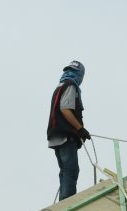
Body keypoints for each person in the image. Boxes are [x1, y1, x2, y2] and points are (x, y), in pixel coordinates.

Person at [47, 60, 91, 201]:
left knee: (65, 170)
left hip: (55, 135)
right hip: (65, 135)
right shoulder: (71, 85)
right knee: (71, 170)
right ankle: (67, 203)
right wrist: (80, 129)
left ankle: (62, 202)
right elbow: (65, 109)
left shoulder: (59, 87)